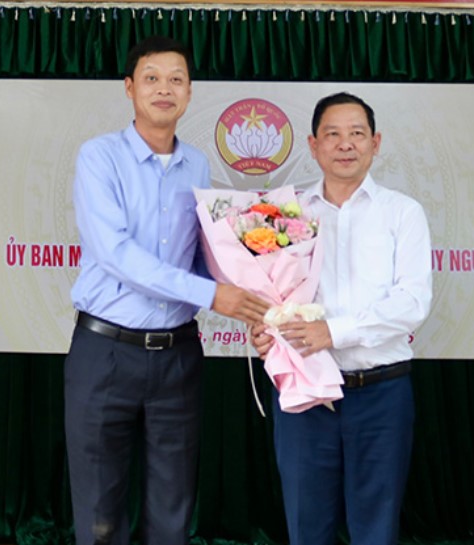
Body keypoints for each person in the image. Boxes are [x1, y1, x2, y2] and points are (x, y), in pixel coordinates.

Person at [64, 36, 270, 545]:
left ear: (190, 92)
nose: (164, 88)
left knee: (173, 503)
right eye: (152, 78)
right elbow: (116, 254)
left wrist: (253, 289)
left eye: (176, 79)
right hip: (105, 352)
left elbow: (198, 253)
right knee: (99, 509)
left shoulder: (197, 165)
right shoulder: (99, 157)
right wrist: (210, 295)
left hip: (178, 354)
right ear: (130, 88)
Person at [252, 92, 433, 545]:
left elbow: (412, 302)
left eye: (357, 134)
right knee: (306, 524)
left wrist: (331, 331)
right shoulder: (286, 213)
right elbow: (270, 294)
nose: (345, 144)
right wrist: (265, 330)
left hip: (382, 393)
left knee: (376, 527)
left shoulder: (403, 213)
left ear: (376, 142)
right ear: (314, 146)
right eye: (333, 134)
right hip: (306, 393)